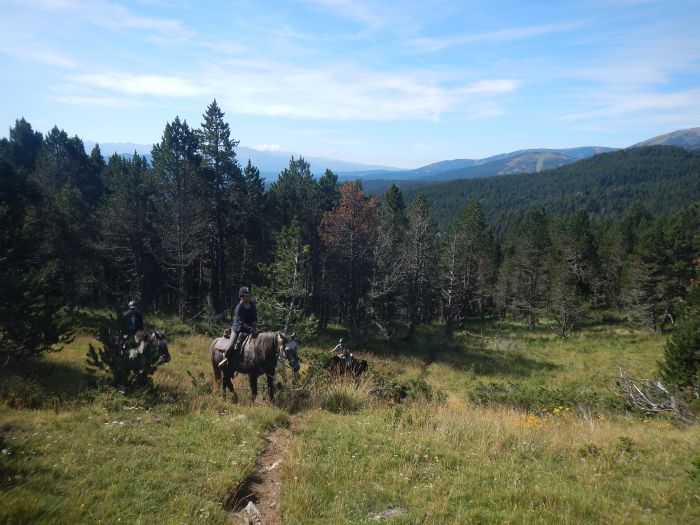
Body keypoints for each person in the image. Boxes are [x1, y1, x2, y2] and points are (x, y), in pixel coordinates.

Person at [219, 286, 258, 369]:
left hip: (250, 328)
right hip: (238, 328)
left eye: (249, 295)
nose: (248, 297)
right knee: (230, 345)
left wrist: (255, 328)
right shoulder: (238, 308)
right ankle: (225, 359)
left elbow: (254, 318)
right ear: (241, 297)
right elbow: (241, 322)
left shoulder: (253, 305)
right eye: (246, 295)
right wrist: (252, 329)